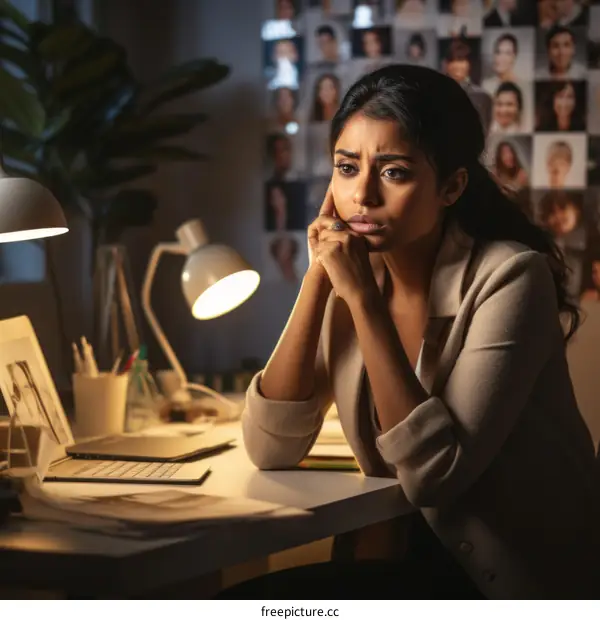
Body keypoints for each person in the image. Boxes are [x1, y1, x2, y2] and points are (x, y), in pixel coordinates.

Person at [238, 64, 600, 600]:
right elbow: (270, 447)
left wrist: (361, 298)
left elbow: (437, 476)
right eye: (345, 167)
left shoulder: (511, 278)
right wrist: (317, 278)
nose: (361, 196)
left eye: (394, 172)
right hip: (396, 557)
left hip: (502, 581)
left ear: (452, 185)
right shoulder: (352, 269)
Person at [443, 37, 493, 135]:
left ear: (469, 64)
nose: (457, 66)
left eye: (461, 61)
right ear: (446, 65)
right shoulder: (435, 95)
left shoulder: (482, 96)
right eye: (453, 61)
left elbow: (484, 131)